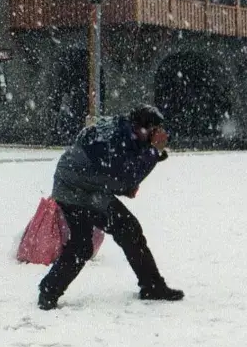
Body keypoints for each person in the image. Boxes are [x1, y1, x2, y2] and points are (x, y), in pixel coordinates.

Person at [37, 105, 183, 310]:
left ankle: (49, 290)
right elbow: (124, 174)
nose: (158, 135)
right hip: (79, 190)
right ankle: (152, 286)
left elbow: (120, 172)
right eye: (154, 131)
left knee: (85, 243)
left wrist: (131, 178)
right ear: (144, 128)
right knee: (123, 230)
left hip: (77, 185)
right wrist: (153, 152)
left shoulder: (124, 132)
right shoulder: (116, 138)